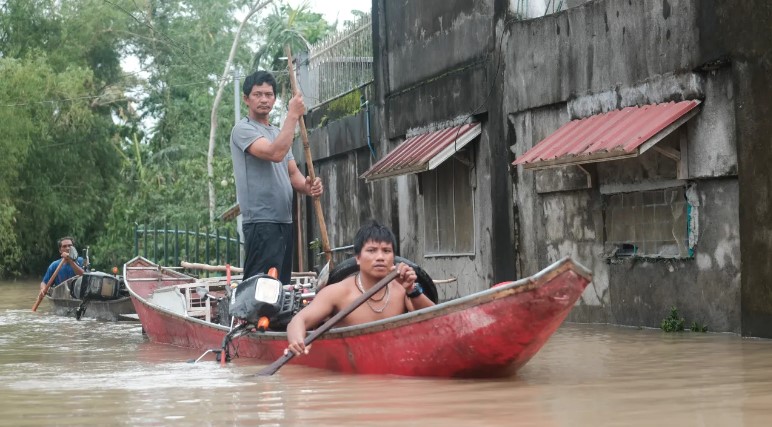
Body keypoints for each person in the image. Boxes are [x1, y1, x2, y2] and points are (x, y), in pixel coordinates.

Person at [285, 220, 435, 356]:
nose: (380, 257)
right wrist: (297, 341)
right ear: (357, 258)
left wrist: (412, 289)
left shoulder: (402, 289)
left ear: (393, 257)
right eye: (371, 250)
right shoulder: (338, 292)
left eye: (386, 251)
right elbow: (298, 321)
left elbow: (437, 322)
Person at [230, 70, 323, 285]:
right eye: (258, 94)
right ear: (246, 99)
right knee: (260, 287)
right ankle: (253, 320)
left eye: (269, 94)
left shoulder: (278, 132)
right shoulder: (242, 130)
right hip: (261, 221)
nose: (264, 99)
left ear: (274, 98)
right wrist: (292, 115)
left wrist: (310, 186)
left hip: (284, 220)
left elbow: (293, 175)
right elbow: (275, 153)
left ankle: (278, 320)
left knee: (280, 286)